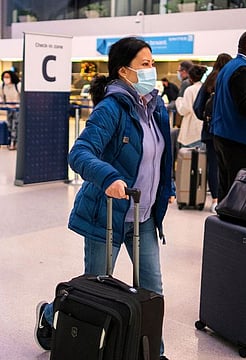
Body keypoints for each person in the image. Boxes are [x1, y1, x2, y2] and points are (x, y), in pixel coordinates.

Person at [34, 37, 175, 360]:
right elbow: (80, 152)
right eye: (145, 64)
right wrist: (109, 176)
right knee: (93, 290)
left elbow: (160, 158)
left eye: (153, 63)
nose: (152, 70)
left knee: (152, 290)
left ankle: (154, 352)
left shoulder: (156, 108)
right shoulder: (111, 108)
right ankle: (48, 314)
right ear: (124, 72)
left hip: (144, 216)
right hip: (107, 214)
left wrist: (164, 190)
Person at [211, 29, 246, 201]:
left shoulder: (229, 67)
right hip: (240, 140)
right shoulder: (244, 70)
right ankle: (234, 227)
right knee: (239, 196)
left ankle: (223, 226)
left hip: (223, 135)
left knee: (227, 190)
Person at [193, 53, 233, 212]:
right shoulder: (230, 80)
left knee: (213, 166)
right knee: (229, 166)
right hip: (229, 131)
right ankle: (230, 199)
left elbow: (197, 107)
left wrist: (206, 118)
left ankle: (215, 199)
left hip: (210, 131)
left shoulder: (209, 81)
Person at [176, 65, 208, 148]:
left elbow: (183, 110)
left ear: (190, 77)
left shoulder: (190, 90)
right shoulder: (206, 88)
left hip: (191, 131)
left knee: (190, 159)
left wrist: (178, 101)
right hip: (202, 129)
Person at [0, 70, 21, 150]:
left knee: (15, 125)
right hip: (9, 108)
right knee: (9, 125)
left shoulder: (18, 85)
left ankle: (14, 142)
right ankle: (10, 141)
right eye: (4, 77)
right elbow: (1, 96)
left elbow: (22, 96)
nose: (6, 79)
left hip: (17, 109)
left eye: (7, 77)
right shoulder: (2, 86)